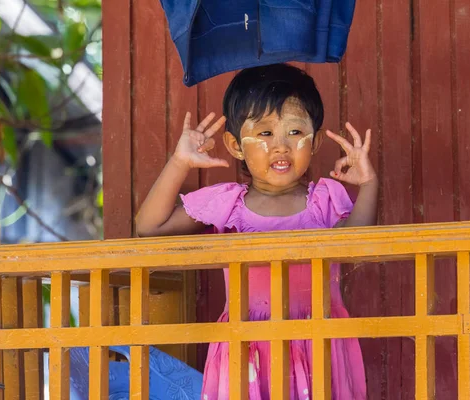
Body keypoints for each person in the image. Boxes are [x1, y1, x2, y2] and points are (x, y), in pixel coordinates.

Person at [136, 63, 375, 399]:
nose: (280, 146)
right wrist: (180, 162)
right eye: (264, 133)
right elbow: (149, 228)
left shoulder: (324, 199)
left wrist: (368, 183)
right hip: (247, 345)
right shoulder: (228, 204)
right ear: (235, 146)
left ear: (316, 141)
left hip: (319, 339)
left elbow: (359, 245)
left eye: (294, 132)